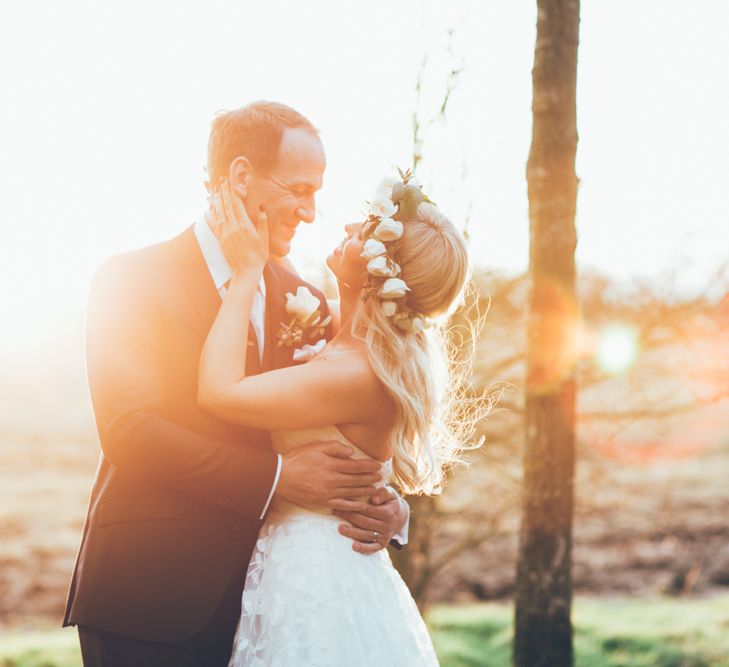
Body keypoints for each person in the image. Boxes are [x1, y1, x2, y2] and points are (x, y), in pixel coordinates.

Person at [63, 101, 409, 667]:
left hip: (270, 605)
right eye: (299, 189)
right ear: (242, 176)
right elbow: (129, 430)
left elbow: (337, 422)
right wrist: (276, 479)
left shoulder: (309, 297)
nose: (310, 211)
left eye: (316, 192)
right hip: (148, 596)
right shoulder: (129, 279)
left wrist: (387, 509)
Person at [198, 169, 475, 666]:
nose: (349, 227)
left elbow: (219, 392)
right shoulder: (342, 338)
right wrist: (394, 509)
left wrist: (244, 275)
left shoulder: (354, 372)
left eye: (365, 230)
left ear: (380, 271)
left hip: (315, 576)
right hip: (312, 562)